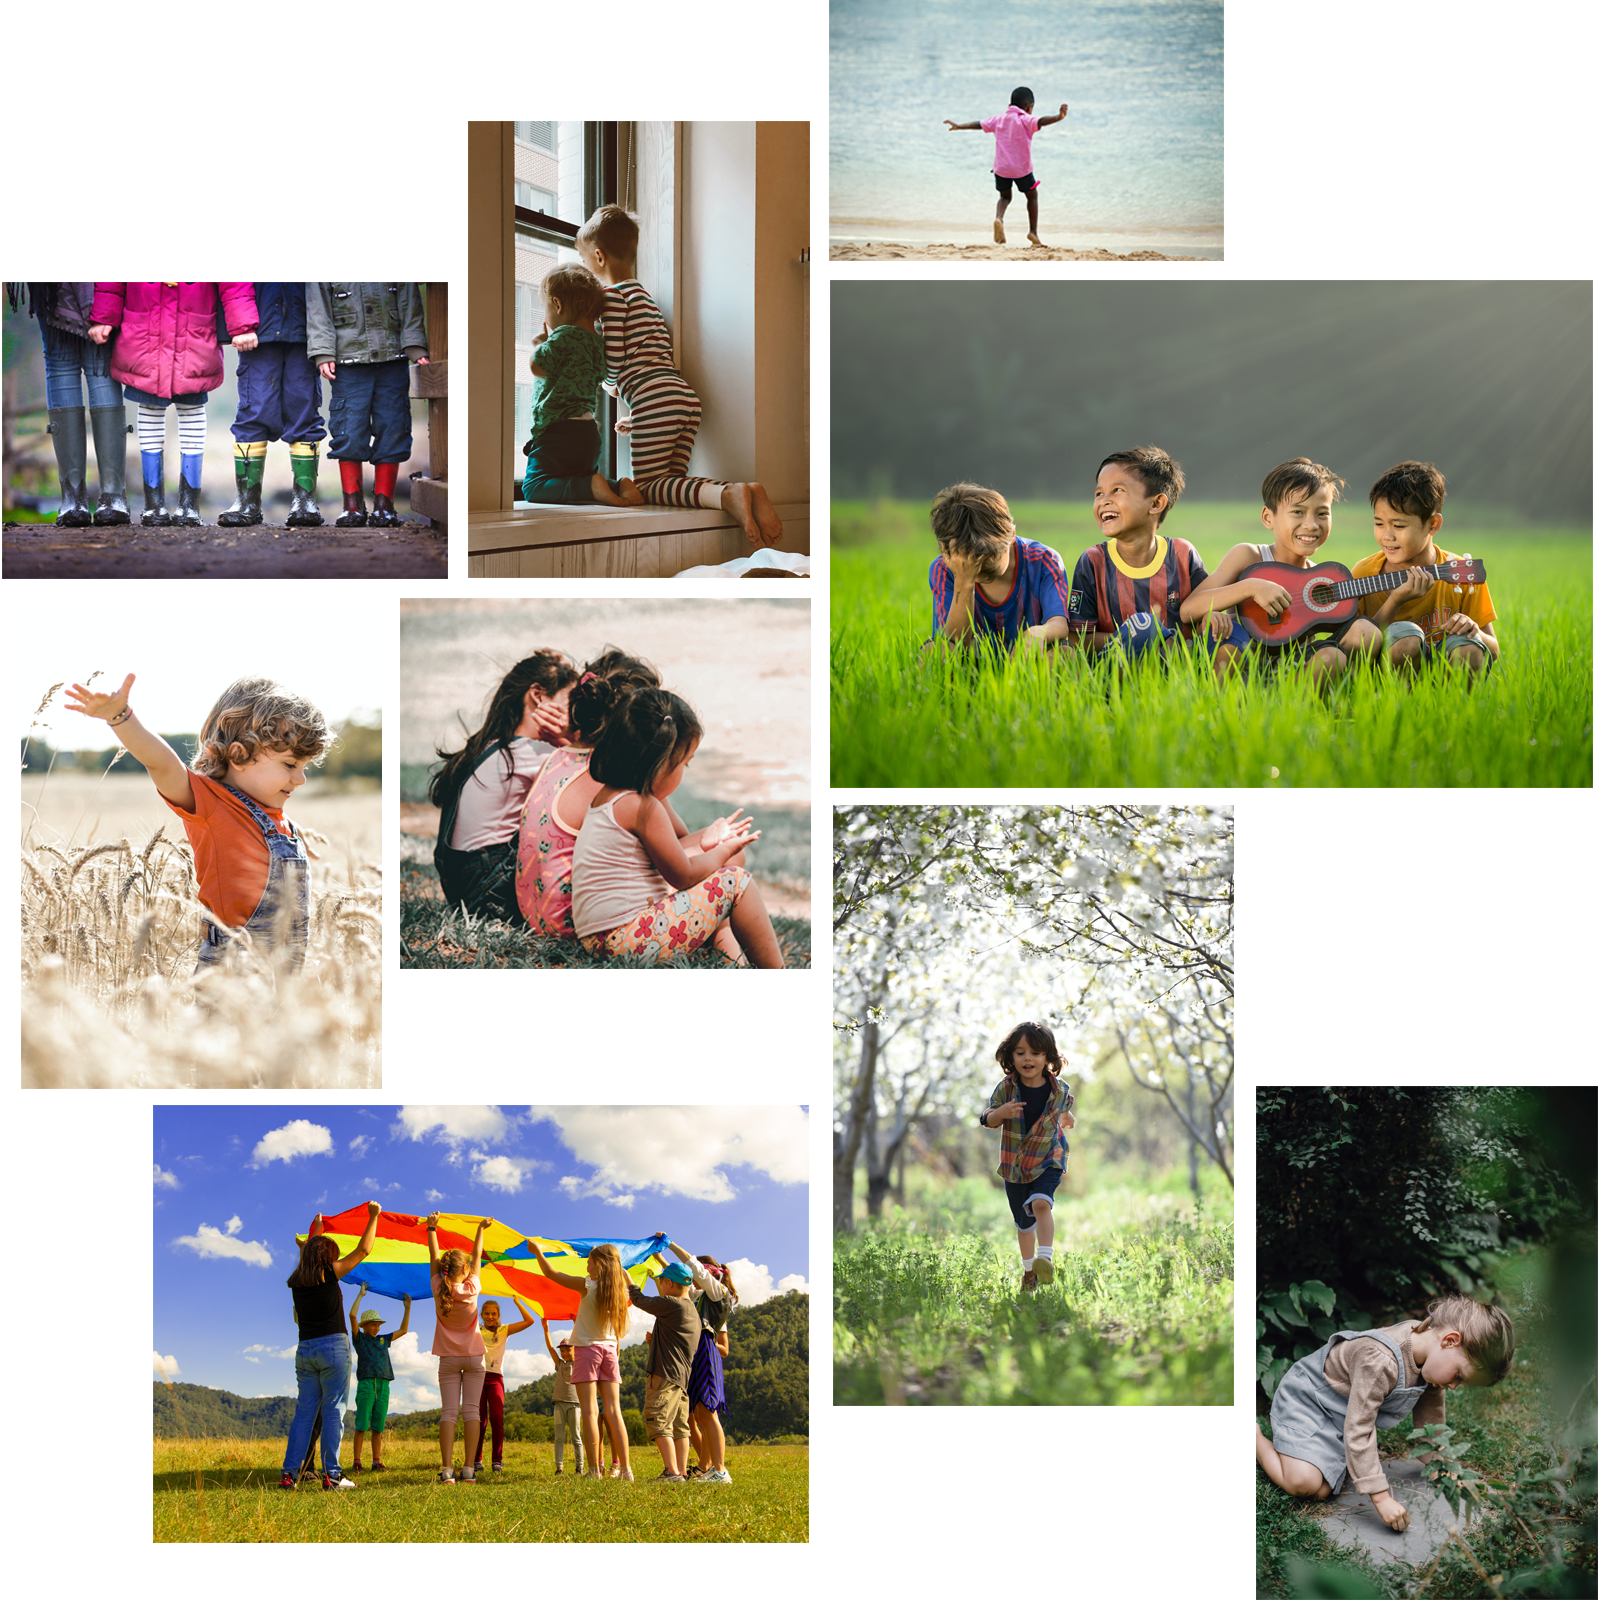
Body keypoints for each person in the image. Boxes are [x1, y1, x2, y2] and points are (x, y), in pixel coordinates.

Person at [63, 673, 330, 973]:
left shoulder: (276, 819)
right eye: (290, 765)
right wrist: (120, 716)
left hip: (285, 975)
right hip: (231, 971)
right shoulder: (210, 804)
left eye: (304, 766)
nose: (301, 778)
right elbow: (162, 763)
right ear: (240, 755)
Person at [516, 651, 750, 965]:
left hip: (540, 912)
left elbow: (674, 839)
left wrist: (710, 837)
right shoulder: (615, 777)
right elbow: (678, 856)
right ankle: (731, 955)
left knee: (719, 854)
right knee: (731, 858)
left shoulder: (559, 757)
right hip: (581, 921)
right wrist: (719, 847)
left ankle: (727, 950)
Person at [577, 204, 784, 546]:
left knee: (646, 485)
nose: (587, 268)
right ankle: (743, 491)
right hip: (682, 397)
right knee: (671, 482)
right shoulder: (644, 296)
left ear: (598, 257)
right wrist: (640, 414)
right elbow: (651, 356)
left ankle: (730, 493)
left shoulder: (611, 298)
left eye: (585, 262)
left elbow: (615, 358)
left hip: (653, 399)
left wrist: (609, 385)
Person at [1255, 1295, 1514, 1531]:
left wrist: (1439, 1464)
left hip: (1342, 1416)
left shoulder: (1430, 1356)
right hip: (1309, 1401)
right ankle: (1254, 1437)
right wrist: (1381, 1497)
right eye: (1459, 1376)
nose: (1454, 1385)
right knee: (1303, 1483)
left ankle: (1333, 1454)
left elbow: (1430, 1419)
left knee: (1322, 1490)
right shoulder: (1380, 1360)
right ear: (1449, 1340)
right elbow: (1360, 1428)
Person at [571, 687, 782, 966]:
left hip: (599, 939)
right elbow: (682, 876)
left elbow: (667, 855)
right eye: (685, 763)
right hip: (628, 940)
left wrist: (707, 843)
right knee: (736, 883)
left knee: (727, 866)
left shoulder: (608, 797)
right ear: (660, 763)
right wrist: (723, 851)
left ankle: (734, 961)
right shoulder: (644, 807)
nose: (684, 770)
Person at [1178, 458, 1384, 686]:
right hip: (1246, 666)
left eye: (1322, 514)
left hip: (1297, 671)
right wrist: (1251, 587)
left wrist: (1399, 595)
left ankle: (1323, 706)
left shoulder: (1319, 578)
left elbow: (1358, 636)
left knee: (1359, 635)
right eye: (1298, 511)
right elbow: (1189, 609)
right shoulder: (1249, 556)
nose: (1311, 524)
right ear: (1268, 517)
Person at [88, 282, 259, 526]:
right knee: (149, 408)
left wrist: (242, 324)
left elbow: (235, 283)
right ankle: (153, 505)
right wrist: (105, 315)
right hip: (145, 331)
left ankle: (189, 505)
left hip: (193, 332)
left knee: (191, 410)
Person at [431, 650, 579, 921]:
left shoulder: (490, 746)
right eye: (569, 701)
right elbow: (594, 781)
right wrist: (567, 741)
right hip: (491, 892)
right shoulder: (531, 752)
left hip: (464, 890)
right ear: (538, 695)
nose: (573, 713)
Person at [1066, 446, 1218, 661]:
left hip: (1180, 671)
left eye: (1117, 490)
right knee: (1144, 626)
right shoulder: (1093, 561)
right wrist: (1141, 640)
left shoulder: (1183, 554)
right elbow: (1077, 637)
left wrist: (1214, 616)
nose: (1104, 501)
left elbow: (1205, 610)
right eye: (1099, 493)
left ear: (1156, 503)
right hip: (1116, 672)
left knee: (1231, 633)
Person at [1354, 461, 1500, 676]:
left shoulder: (1461, 573)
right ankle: (1400, 707)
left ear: (1433, 524)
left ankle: (1455, 708)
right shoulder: (1364, 572)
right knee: (1405, 641)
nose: (1387, 535)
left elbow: (1493, 650)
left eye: (1399, 526)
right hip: (1383, 680)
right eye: (1379, 524)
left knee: (1469, 648)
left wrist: (1474, 631)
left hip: (1443, 674)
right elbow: (1354, 651)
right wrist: (1395, 600)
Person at [305, 282, 429, 527]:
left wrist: (415, 344)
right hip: (347, 361)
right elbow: (317, 309)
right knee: (348, 430)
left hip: (393, 357)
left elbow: (409, 300)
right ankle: (352, 506)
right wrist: (323, 352)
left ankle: (384, 505)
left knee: (394, 427)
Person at [6, 282, 128, 526]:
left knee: (88, 362)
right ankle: (97, 497)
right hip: (57, 289)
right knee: (74, 363)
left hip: (88, 287)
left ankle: (88, 497)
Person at [522, 263, 643, 507]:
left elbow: (538, 367)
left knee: (534, 486)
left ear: (557, 304)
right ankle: (617, 485)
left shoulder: (563, 336)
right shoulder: (598, 344)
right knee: (575, 477)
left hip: (558, 431)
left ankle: (591, 485)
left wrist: (538, 344)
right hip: (588, 433)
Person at [281, 1201, 381, 1490]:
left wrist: (317, 1229)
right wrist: (373, 1217)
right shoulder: (329, 1273)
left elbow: (306, 1255)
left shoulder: (297, 1279)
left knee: (304, 1412)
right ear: (326, 1257)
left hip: (305, 1351)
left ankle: (289, 1474)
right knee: (334, 1410)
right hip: (333, 1348)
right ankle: (333, 1475)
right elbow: (364, 1250)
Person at [978, 1021, 1076, 1292]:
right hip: (1016, 1165)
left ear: (1047, 1057)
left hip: (1049, 1157)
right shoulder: (1006, 1089)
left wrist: (1067, 1118)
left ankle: (1045, 1258)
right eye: (1020, 1053)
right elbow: (987, 1117)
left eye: (1035, 1052)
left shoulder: (1059, 1089)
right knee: (1024, 1223)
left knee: (1041, 1204)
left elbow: (1063, 1108)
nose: (1027, 1058)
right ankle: (1029, 1270)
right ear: (1011, 1057)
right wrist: (1000, 1114)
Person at [218, 282, 326, 527]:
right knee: (253, 412)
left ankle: (305, 500)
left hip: (306, 331)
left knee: (304, 413)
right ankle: (247, 501)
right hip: (256, 332)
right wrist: (240, 323)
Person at [528, 1240, 635, 1481]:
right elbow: (630, 1284)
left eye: (589, 1261)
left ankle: (595, 1471)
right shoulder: (621, 1292)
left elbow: (551, 1273)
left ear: (598, 1264)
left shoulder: (587, 1285)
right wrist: (623, 1273)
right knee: (614, 1411)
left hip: (587, 1350)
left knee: (589, 1411)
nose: (586, 1264)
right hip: (609, 1350)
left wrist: (538, 1252)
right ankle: (626, 1470)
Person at [924, 482, 1072, 654]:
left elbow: (1059, 623)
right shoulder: (944, 569)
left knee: (1063, 654)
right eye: (967, 562)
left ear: (1011, 536)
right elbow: (955, 643)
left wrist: (1038, 633)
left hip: (1030, 660)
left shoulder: (1044, 560)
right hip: (973, 662)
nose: (975, 568)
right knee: (934, 651)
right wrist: (964, 581)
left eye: (985, 561)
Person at [943, 88, 1069, 246]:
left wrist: (959, 126)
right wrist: (1059, 117)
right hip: (1022, 170)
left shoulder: (999, 119)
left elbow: (978, 124)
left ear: (1010, 104)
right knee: (1032, 196)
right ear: (1029, 107)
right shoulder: (1025, 119)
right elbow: (1042, 121)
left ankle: (999, 218)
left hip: (1001, 169)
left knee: (1005, 197)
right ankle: (1033, 232)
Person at [659, 1241, 736, 1485]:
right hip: (696, 1352)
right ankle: (711, 1468)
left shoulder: (718, 1292)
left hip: (706, 1351)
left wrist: (670, 1244)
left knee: (708, 1413)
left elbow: (693, 1267)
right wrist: (659, 1260)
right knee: (701, 1414)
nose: (692, 1279)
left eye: (696, 1275)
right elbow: (681, 1285)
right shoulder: (700, 1296)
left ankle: (720, 1470)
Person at [426, 1212, 490, 1484]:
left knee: (449, 1412)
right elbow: (477, 1258)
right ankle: (468, 1470)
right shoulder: (473, 1286)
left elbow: (433, 1258)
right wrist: (479, 1229)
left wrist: (432, 1229)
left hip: (448, 1359)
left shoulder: (438, 1287)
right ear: (465, 1272)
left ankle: (447, 1469)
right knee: (472, 1412)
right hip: (475, 1358)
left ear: (443, 1270)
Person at [627, 1260, 703, 1482]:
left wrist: (627, 1279)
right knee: (680, 1427)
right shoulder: (692, 1311)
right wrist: (657, 1341)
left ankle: (671, 1471)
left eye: (662, 1283)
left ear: (669, 1283)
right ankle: (680, 1472)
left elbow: (639, 1300)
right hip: (681, 1378)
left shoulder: (673, 1304)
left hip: (664, 1374)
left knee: (658, 1419)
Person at [472, 1294, 538, 1476]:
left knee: (497, 1418)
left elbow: (529, 1320)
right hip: (477, 1377)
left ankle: (497, 1461)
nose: (490, 1317)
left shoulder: (504, 1330)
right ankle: (476, 1459)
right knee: (479, 1421)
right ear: (481, 1315)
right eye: (486, 1314)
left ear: (498, 1315)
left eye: (493, 1314)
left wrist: (518, 1302)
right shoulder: (476, 1329)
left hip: (495, 1379)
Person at [347, 1287, 410, 1473]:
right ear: (364, 1325)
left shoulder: (383, 1340)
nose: (377, 1328)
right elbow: (352, 1316)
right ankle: (357, 1461)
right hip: (366, 1384)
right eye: (373, 1324)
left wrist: (407, 1308)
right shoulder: (360, 1339)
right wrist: (360, 1295)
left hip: (383, 1384)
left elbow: (404, 1330)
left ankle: (376, 1461)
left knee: (378, 1426)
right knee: (361, 1425)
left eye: (378, 1325)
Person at [541, 1319, 586, 1476]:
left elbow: (581, 1341)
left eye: (569, 1349)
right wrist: (546, 1329)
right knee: (559, 1437)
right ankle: (559, 1468)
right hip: (559, 1404)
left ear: (575, 1350)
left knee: (576, 1437)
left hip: (574, 1404)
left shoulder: (579, 1362)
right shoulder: (560, 1364)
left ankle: (580, 1467)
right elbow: (550, 1347)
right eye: (563, 1350)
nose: (565, 1352)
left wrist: (577, 1323)